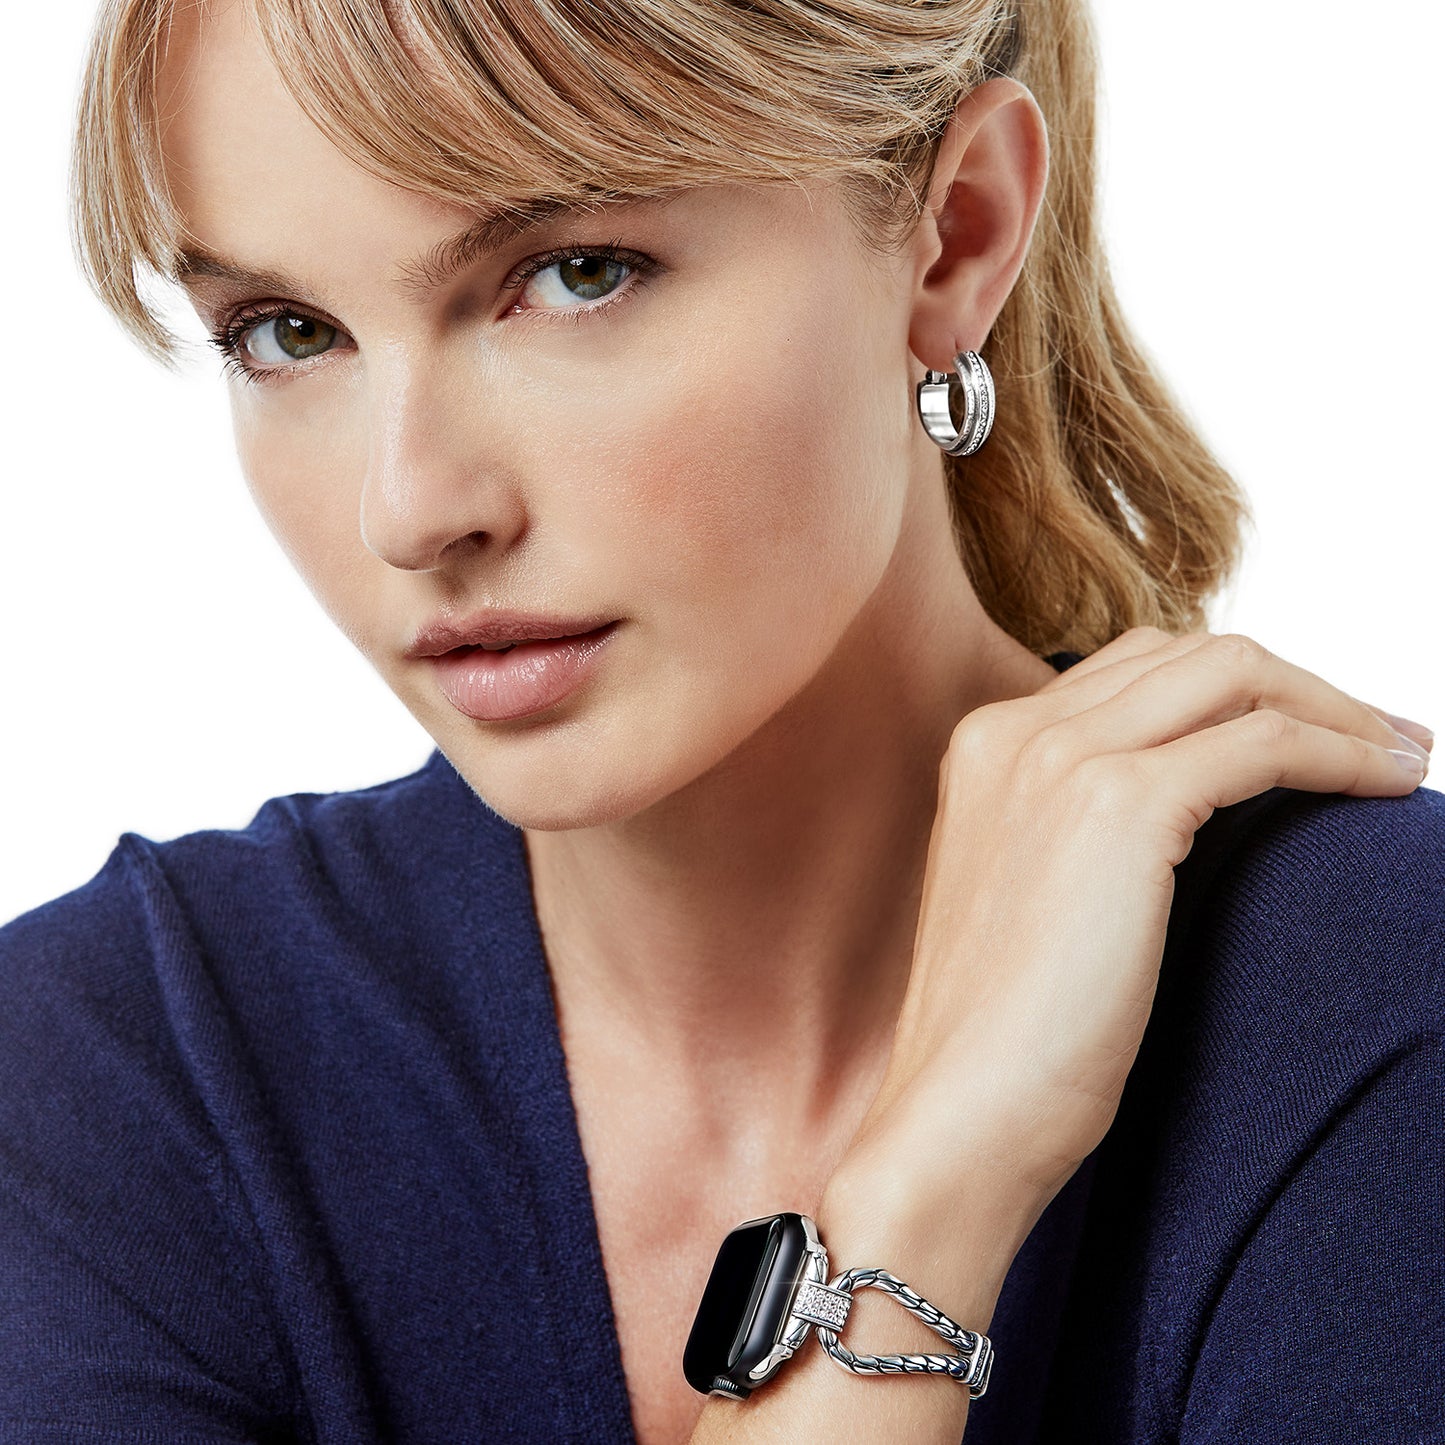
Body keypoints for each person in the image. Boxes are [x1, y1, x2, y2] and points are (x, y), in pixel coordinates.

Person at [1, 0, 1440, 1441]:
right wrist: (930, 1191)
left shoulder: (1371, 995)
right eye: (287, 333)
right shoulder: (107, 1077)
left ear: (955, 239)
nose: (411, 509)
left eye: (574, 274)